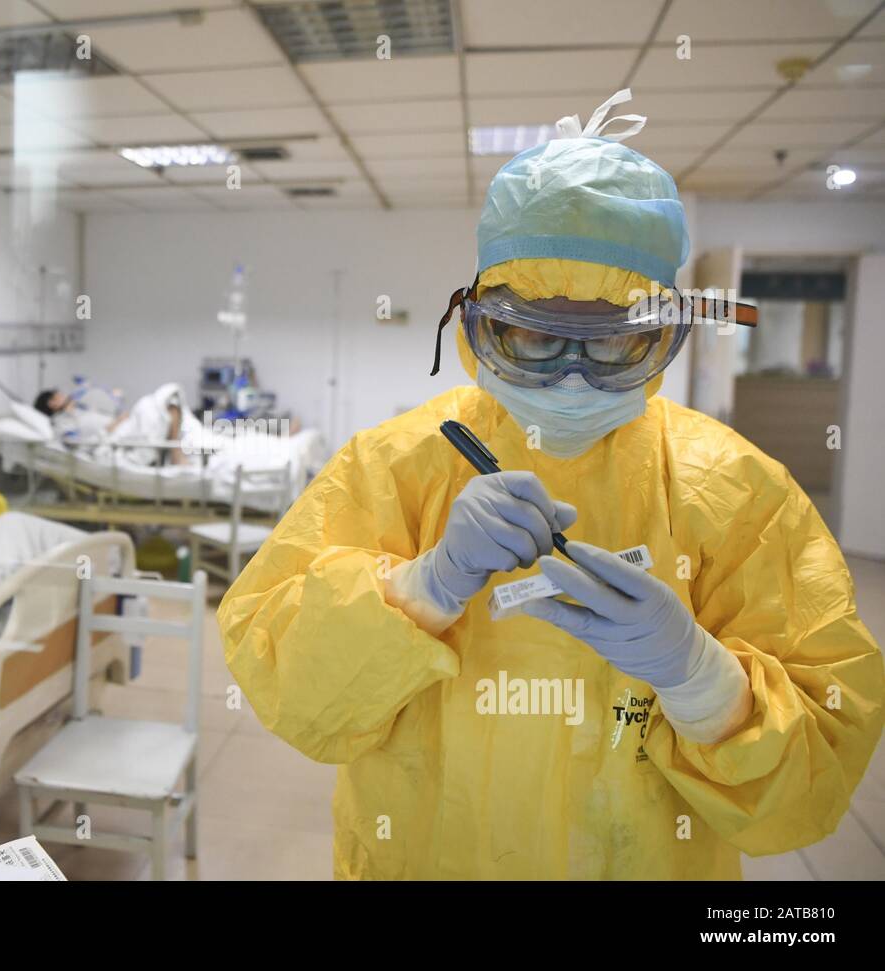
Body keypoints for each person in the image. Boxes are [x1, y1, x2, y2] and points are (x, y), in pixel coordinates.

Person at [217, 91, 884, 880]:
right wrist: (418, 586)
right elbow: (290, 691)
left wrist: (702, 680)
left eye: (614, 343)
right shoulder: (394, 463)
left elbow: (812, 782)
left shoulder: (740, 492)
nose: (571, 376)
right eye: (532, 334)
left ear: (662, 337)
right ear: (475, 325)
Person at [35, 383, 193, 466]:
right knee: (154, 404)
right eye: (58, 395)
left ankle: (175, 451)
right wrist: (116, 424)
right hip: (114, 440)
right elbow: (81, 446)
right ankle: (176, 453)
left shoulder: (79, 410)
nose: (64, 394)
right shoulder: (63, 424)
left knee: (167, 401)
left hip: (124, 428)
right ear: (52, 404)